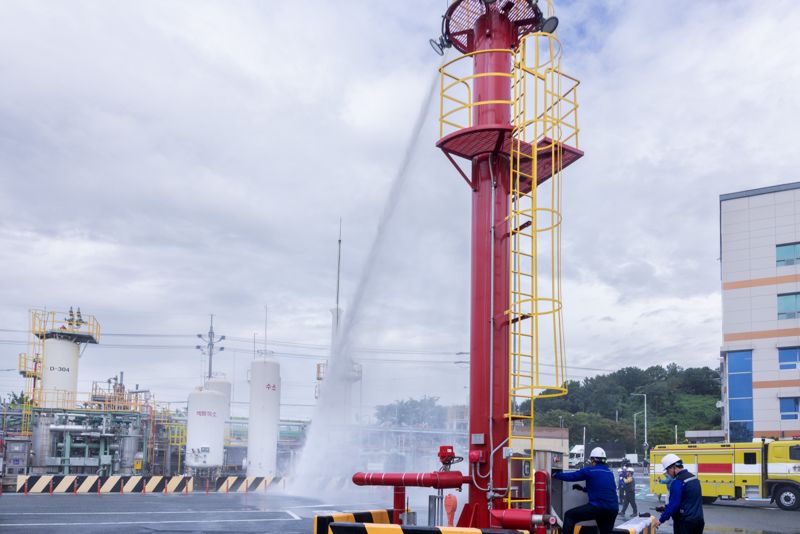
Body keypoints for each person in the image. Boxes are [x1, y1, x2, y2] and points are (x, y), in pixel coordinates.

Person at [553, 447, 619, 534]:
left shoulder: (590, 470)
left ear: (594, 460)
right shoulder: (609, 473)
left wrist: (555, 474)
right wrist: (583, 489)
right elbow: (603, 489)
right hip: (613, 510)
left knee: (569, 516)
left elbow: (572, 476)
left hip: (598, 507)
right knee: (604, 532)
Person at [655, 453, 704, 533]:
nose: (668, 473)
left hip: (684, 523)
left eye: (667, 471)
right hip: (699, 521)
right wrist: (666, 507)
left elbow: (674, 505)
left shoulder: (678, 482)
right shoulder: (694, 478)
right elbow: (688, 501)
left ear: (673, 468)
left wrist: (660, 520)